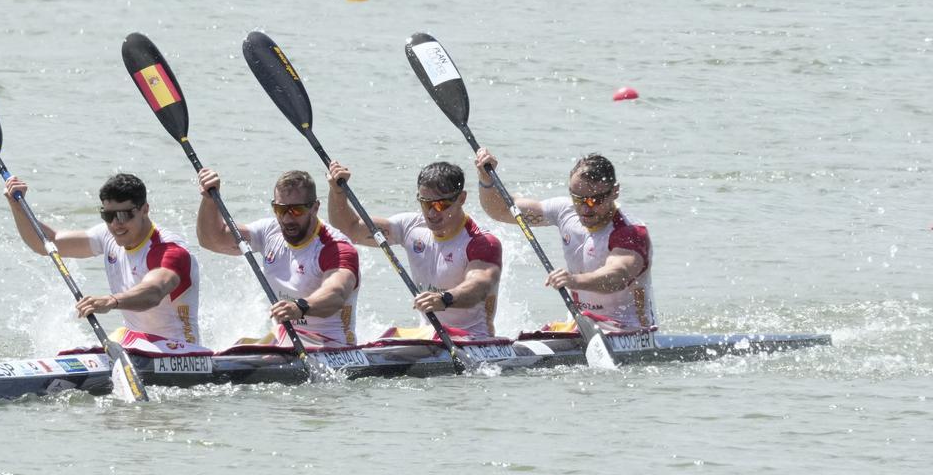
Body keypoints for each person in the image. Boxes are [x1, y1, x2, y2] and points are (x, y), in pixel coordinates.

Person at [3, 173, 201, 344]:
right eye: (108, 216)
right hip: (134, 340)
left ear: (144, 209)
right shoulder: (107, 236)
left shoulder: (168, 250)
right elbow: (48, 243)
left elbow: (153, 292)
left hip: (178, 349)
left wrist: (111, 301)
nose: (116, 224)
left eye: (124, 215)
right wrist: (17, 206)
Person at [473, 148, 655, 330]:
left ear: (615, 191)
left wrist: (573, 281)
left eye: (595, 200)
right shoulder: (564, 211)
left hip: (629, 330)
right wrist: (486, 179)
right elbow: (500, 210)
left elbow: (618, 276)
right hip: (583, 325)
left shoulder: (630, 232)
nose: (585, 208)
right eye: (578, 199)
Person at [325, 160, 503, 338]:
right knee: (388, 336)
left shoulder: (482, 242)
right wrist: (337, 192)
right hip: (429, 336)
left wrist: (444, 299)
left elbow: (479, 286)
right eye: (425, 203)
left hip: (473, 338)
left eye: (441, 205)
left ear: (461, 198)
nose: (432, 213)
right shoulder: (410, 227)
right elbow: (350, 228)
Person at [196, 168, 360, 346]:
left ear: (315, 208)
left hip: (333, 344)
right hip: (286, 339)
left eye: (296, 210)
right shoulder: (269, 231)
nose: (287, 218)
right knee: (241, 344)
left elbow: (336, 294)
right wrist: (209, 199)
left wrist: (300, 307)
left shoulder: (335, 248)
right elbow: (212, 240)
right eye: (280, 209)